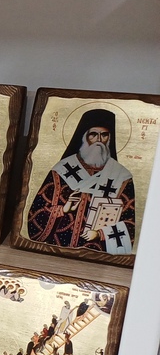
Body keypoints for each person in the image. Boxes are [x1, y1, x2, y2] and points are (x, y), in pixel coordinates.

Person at [27, 108, 135, 255]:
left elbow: (129, 223)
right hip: (57, 250)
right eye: (93, 134)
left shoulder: (121, 176)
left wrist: (100, 234)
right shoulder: (61, 170)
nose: (99, 140)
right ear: (84, 137)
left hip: (97, 255)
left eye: (104, 135)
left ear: (109, 139)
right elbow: (35, 215)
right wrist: (63, 210)